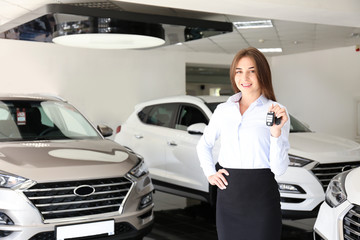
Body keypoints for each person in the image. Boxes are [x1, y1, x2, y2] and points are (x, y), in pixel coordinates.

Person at [196, 47, 290, 240]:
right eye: (239, 71)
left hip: (262, 196)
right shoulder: (223, 110)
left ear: (262, 74)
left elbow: (279, 169)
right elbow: (203, 144)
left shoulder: (277, 111)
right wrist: (210, 173)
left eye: (252, 71)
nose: (244, 77)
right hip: (229, 195)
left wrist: (276, 133)